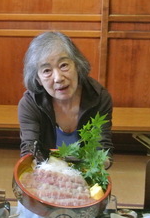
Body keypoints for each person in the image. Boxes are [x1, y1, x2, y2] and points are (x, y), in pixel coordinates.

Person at [17, 31, 114, 217]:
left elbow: (103, 146)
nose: (58, 78)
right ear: (37, 78)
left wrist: (99, 163)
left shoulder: (99, 98)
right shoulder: (30, 104)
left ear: (77, 65)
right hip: (45, 184)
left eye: (63, 65)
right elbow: (29, 151)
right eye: (46, 70)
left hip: (84, 184)